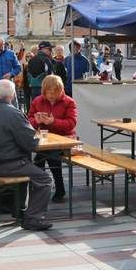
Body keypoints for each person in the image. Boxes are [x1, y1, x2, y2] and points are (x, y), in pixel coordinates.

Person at [0, 79, 54, 231]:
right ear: (12, 95)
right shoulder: (14, 113)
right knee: (44, 179)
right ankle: (33, 218)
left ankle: (19, 209)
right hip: (7, 163)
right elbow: (31, 143)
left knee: (30, 170)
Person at [27, 75, 77, 203]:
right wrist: (36, 121)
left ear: (60, 90)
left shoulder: (69, 102)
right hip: (44, 140)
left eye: (53, 92)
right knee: (45, 156)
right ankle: (53, 188)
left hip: (64, 140)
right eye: (47, 92)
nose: (50, 95)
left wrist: (53, 122)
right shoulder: (37, 101)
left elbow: (71, 123)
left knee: (46, 157)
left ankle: (45, 188)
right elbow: (29, 120)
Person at [25, 41, 56, 105]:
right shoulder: (46, 60)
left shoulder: (31, 59)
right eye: (49, 49)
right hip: (45, 89)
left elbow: (28, 75)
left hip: (33, 89)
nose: (51, 51)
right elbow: (50, 76)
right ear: (43, 49)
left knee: (36, 109)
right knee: (45, 110)